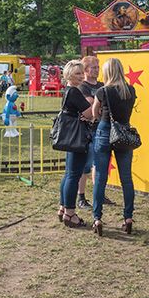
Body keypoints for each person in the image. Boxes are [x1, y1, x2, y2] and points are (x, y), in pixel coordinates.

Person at [91, 58, 137, 236]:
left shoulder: (103, 91)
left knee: (101, 176)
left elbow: (95, 113)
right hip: (123, 132)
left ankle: (97, 218)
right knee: (126, 177)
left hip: (104, 131)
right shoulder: (130, 90)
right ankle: (128, 217)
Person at [57, 60, 94, 229]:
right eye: (78, 73)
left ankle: (63, 207)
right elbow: (89, 113)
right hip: (77, 137)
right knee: (73, 174)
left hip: (70, 136)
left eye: (82, 73)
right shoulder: (75, 92)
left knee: (68, 174)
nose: (81, 76)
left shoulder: (68, 91)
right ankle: (70, 213)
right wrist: (93, 106)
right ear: (70, 74)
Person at [76, 55, 113, 209]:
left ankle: (99, 193)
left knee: (100, 164)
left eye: (98, 67)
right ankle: (81, 197)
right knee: (85, 165)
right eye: (93, 67)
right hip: (87, 130)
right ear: (85, 70)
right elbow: (91, 108)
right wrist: (98, 104)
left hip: (101, 128)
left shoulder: (101, 85)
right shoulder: (83, 86)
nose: (96, 70)